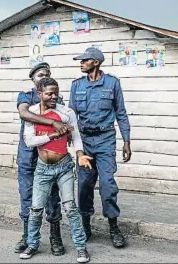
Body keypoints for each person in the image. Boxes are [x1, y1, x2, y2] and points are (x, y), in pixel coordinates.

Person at [19, 77, 92, 263]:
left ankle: (81, 248)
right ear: (40, 94)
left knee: (70, 208)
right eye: (49, 93)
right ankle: (32, 244)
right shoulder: (32, 113)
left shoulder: (66, 112)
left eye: (56, 93)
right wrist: (52, 134)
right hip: (43, 169)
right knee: (35, 209)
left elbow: (76, 138)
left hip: (64, 167)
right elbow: (29, 142)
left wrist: (80, 155)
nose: (53, 97)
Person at [69, 47, 132, 248]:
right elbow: (71, 116)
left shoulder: (112, 84)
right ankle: (86, 226)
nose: (81, 63)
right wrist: (72, 141)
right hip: (85, 141)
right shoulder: (76, 85)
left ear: (95, 62)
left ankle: (113, 227)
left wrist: (127, 141)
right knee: (85, 186)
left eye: (84, 60)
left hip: (105, 140)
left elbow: (121, 113)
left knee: (107, 185)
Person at [15, 62, 70, 256]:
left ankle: (55, 237)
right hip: (28, 157)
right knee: (27, 197)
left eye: (47, 74)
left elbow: (67, 123)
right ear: (33, 80)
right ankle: (27, 237)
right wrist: (52, 122)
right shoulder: (25, 96)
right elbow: (24, 113)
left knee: (52, 198)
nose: (44, 77)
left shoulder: (56, 99)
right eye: (40, 75)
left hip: (50, 157)